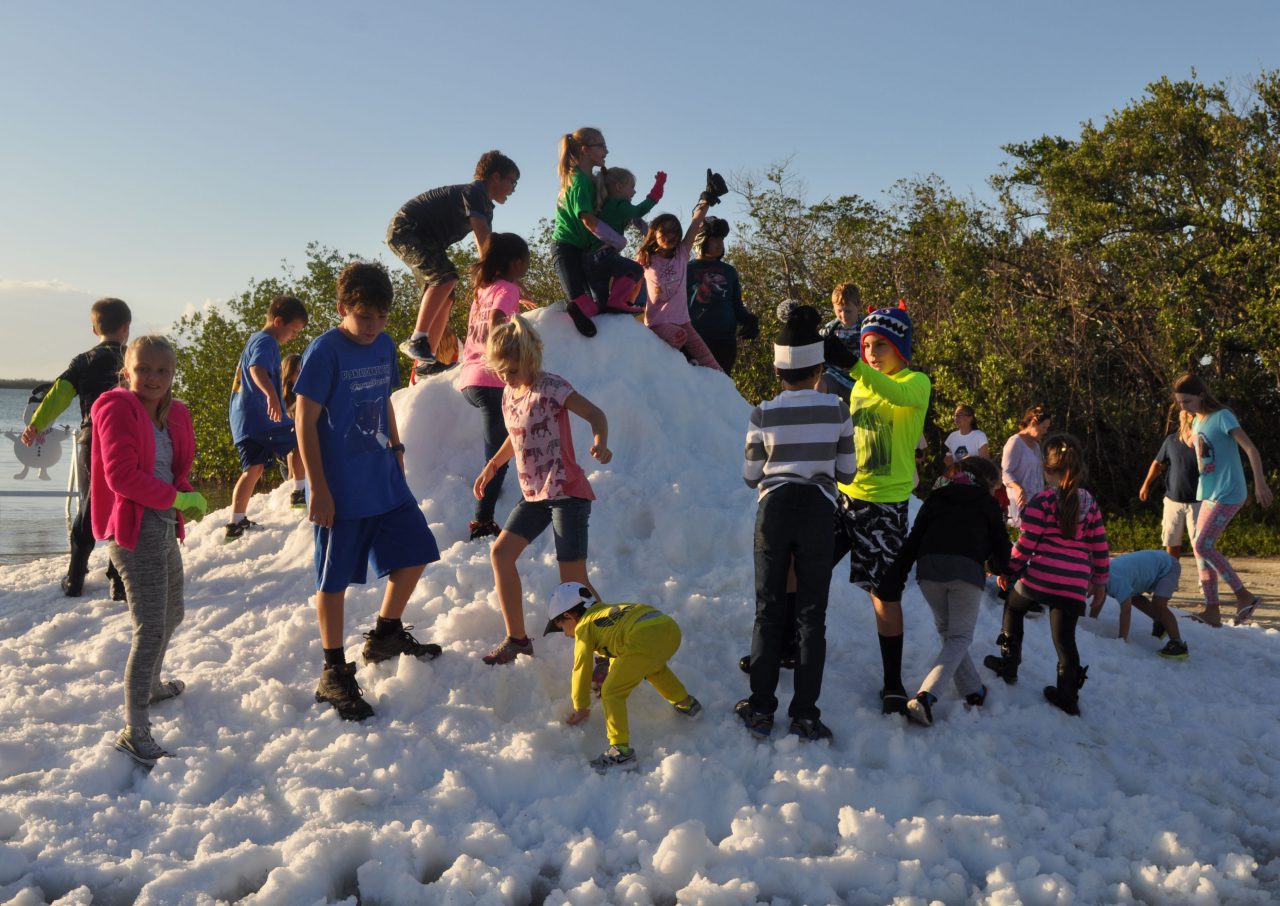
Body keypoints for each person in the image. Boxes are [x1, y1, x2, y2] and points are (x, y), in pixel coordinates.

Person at [294, 262, 443, 722]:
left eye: (380, 317)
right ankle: (333, 670)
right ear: (343, 309)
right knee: (333, 579)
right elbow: (304, 420)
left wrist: (396, 446)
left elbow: (382, 401)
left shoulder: (381, 345)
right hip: (341, 489)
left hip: (384, 476)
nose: (373, 327)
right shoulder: (325, 351)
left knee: (417, 551)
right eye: (364, 317)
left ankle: (385, 634)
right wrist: (316, 487)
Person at [736, 304, 854, 742]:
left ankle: (761, 708)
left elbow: (751, 477)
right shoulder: (837, 411)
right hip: (819, 511)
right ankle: (805, 713)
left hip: (774, 510)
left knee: (768, 611)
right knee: (811, 616)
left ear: (776, 369)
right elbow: (848, 473)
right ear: (819, 367)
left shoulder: (762, 413)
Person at [90, 335, 208, 766]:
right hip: (132, 531)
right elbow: (120, 476)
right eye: (144, 369)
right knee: (150, 629)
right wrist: (177, 500)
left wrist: (187, 495)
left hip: (162, 526)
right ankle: (133, 731)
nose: (153, 378)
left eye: (162, 370)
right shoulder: (116, 407)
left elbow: (173, 472)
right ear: (127, 370)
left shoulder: (175, 413)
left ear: (173, 373)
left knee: (172, 612)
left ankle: (153, 684)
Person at [473, 315, 612, 665]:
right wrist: (492, 466)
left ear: (530, 360)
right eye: (501, 371)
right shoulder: (509, 393)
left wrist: (601, 443)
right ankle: (517, 639)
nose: (506, 378)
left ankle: (609, 649)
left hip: (567, 492)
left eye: (513, 370)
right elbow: (515, 435)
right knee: (501, 554)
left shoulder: (551, 386)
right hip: (534, 495)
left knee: (573, 582)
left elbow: (596, 414)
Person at [830, 302, 931, 715]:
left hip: (887, 506)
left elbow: (895, 393)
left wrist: (852, 365)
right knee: (804, 569)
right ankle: (784, 648)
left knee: (884, 594)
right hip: (846, 498)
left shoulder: (915, 381)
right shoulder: (860, 385)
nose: (871, 352)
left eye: (881, 345)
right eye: (867, 344)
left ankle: (892, 682)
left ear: (900, 348)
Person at [880, 456, 1011, 726]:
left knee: (948, 632)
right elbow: (1001, 547)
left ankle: (973, 689)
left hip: (929, 571)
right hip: (965, 571)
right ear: (984, 481)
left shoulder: (936, 497)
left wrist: (897, 574)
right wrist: (1003, 570)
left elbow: (914, 539)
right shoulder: (986, 503)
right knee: (960, 636)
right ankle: (926, 697)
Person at [984, 434, 1109, 716]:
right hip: (1073, 585)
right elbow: (1099, 547)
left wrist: (1008, 571)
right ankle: (1068, 696)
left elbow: (1026, 545)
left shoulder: (1041, 502)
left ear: (1046, 468)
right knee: (1065, 642)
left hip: (1040, 579)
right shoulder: (1090, 503)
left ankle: (1009, 662)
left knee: (1014, 608)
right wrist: (1099, 582)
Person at [22, 297, 132, 599]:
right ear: (126, 328)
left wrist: (36, 425)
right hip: (126, 442)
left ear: (93, 328)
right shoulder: (134, 358)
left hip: (91, 439)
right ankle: (118, 579)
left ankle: (74, 578)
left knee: (89, 505)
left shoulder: (84, 360)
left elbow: (59, 394)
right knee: (122, 503)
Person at [387, 151, 520, 373]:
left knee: (447, 295)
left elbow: (487, 251)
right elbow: (484, 242)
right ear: (495, 177)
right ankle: (417, 340)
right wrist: (505, 279)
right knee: (445, 277)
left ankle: (428, 358)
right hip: (407, 230)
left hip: (426, 239)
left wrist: (506, 279)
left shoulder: (485, 206)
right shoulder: (475, 192)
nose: (513, 189)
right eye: (512, 182)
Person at [546, 583, 700, 773]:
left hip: (642, 636)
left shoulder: (584, 627)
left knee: (611, 692)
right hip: (668, 628)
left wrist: (581, 707)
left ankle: (621, 753)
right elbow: (620, 654)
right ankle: (687, 704)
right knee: (653, 668)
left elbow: (581, 667)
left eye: (561, 626)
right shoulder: (607, 612)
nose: (565, 633)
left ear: (569, 616)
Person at [1172, 374, 1274, 626]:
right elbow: (1190, 441)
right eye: (1179, 402)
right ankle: (1212, 610)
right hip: (1208, 492)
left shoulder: (1223, 416)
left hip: (1229, 491)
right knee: (1199, 549)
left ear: (1201, 396)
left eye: (1187, 401)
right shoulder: (1196, 421)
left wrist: (1259, 483)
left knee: (1203, 545)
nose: (1183, 406)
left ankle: (1244, 595)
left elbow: (1251, 449)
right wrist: (1185, 418)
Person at [459, 233, 530, 541]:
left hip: (469, 381)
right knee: (498, 459)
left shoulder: (483, 288)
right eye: (526, 262)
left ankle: (485, 513)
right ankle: (482, 522)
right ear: (516, 263)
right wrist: (502, 359)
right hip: (491, 381)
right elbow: (498, 320)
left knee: (496, 452)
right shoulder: (507, 289)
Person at [226, 295, 308, 540]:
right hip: (261, 417)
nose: (293, 336)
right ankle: (299, 494)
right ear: (278, 321)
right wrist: (272, 396)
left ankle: (235, 522)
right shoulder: (267, 341)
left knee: (253, 468)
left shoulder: (254, 339)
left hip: (245, 421)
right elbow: (256, 369)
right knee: (301, 437)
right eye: (293, 331)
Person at [637, 205, 724, 371]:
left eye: (675, 231)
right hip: (658, 323)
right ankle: (667, 370)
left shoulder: (682, 254)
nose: (671, 235)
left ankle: (724, 390)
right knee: (678, 337)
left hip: (683, 321)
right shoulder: (647, 259)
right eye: (665, 231)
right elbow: (630, 281)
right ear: (654, 233)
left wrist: (707, 201)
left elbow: (696, 221)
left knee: (712, 364)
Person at [551, 127, 617, 338]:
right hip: (566, 248)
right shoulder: (577, 180)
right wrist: (615, 240)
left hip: (583, 249)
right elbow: (587, 219)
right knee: (579, 303)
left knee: (598, 303)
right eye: (601, 146)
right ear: (585, 149)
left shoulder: (591, 180)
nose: (606, 151)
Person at [584, 166, 665, 314]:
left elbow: (634, 218)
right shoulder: (620, 205)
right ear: (619, 187)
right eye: (632, 187)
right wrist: (657, 190)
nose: (634, 192)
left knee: (602, 305)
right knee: (635, 270)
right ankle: (618, 300)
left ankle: (593, 310)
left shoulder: (605, 205)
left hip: (590, 260)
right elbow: (640, 210)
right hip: (605, 256)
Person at [687, 216, 758, 374]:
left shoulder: (729, 271)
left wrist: (749, 320)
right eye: (714, 239)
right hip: (694, 340)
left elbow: (737, 306)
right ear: (701, 240)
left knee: (721, 390)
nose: (720, 243)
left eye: (722, 239)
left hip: (725, 342)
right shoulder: (686, 269)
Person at [1090, 550, 1188, 658]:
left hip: (1167, 566)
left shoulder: (1115, 580)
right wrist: (1091, 621)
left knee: (1159, 603)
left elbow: (1126, 610)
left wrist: (1121, 639)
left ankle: (1178, 644)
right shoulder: (1101, 576)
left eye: (1085, 588)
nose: (1084, 593)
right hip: (1152, 565)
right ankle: (1161, 621)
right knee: (1134, 597)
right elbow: (1099, 597)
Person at [1138, 427, 1201, 559]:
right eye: (1182, 413)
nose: (1186, 415)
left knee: (1200, 546)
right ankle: (1171, 577)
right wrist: (1146, 485)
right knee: (1171, 543)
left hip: (1199, 502)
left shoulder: (1203, 440)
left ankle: (1205, 579)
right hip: (1173, 500)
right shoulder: (1171, 440)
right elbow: (1157, 463)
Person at [1002, 404, 1052, 528]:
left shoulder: (1036, 446)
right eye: (1044, 427)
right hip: (1021, 505)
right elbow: (1006, 473)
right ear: (1034, 422)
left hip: (1037, 503)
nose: (1045, 432)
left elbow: (1037, 473)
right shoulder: (1015, 442)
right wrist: (1019, 488)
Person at [817, 282, 863, 402]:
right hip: (836, 377)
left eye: (848, 311)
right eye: (839, 311)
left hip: (862, 380)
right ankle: (821, 417)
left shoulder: (867, 326)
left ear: (858, 306)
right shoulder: (829, 329)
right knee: (819, 386)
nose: (843, 315)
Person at [280, 353, 306, 509]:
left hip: (304, 458)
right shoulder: (283, 401)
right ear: (289, 376)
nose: (302, 375)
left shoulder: (307, 394)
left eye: (303, 370)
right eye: (297, 372)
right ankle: (297, 490)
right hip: (289, 463)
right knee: (295, 439)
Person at [943, 405, 990, 471]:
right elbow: (950, 462)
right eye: (956, 415)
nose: (956, 417)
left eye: (960, 415)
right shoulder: (952, 436)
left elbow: (985, 462)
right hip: (956, 478)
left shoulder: (980, 436)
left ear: (970, 418)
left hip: (975, 479)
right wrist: (948, 462)